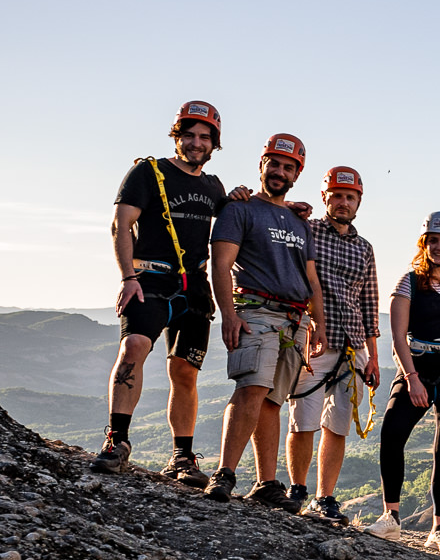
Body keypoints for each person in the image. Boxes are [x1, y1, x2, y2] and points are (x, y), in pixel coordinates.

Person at [97, 100, 229, 484]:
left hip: (193, 286)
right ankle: (116, 441)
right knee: (134, 346)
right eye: (188, 135)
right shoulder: (147, 172)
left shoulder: (212, 185)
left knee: (185, 371)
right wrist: (127, 277)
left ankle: (182, 458)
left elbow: (237, 221)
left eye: (204, 137)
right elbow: (121, 225)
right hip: (149, 278)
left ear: (213, 143)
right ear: (177, 136)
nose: (195, 142)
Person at [207, 133, 323, 505]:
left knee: (273, 399)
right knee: (251, 388)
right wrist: (228, 314)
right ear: (262, 165)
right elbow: (221, 264)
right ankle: (224, 473)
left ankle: (266, 482)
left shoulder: (299, 221)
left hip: (294, 319)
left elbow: (311, 277)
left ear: (297, 174)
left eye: (288, 167)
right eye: (274, 164)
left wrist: (317, 322)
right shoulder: (239, 209)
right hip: (256, 310)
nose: (279, 171)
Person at [369, 212, 440, 556]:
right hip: (417, 369)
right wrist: (412, 380)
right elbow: (398, 338)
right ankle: (391, 517)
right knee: (392, 433)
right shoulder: (408, 282)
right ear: (424, 244)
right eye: (434, 240)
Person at [285, 166, 380, 523]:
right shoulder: (307, 231)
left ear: (358, 202)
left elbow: (369, 304)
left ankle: (325, 497)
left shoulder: (364, 249)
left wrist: (371, 356)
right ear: (325, 197)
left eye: (349, 197)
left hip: (352, 343)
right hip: (312, 341)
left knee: (337, 425)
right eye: (337, 196)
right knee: (302, 419)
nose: (343, 202)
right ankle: (297, 489)